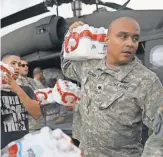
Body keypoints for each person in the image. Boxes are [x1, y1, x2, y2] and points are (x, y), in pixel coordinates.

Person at [61, 18, 163, 157]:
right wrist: (70, 35)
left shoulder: (146, 80)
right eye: (123, 36)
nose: (130, 43)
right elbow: (67, 67)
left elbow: (160, 133)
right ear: (107, 39)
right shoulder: (90, 65)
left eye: (135, 38)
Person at [1, 53, 41, 149]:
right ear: (2, 65)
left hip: (22, 145)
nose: (17, 67)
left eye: (19, 64)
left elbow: (36, 113)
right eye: (13, 63)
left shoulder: (26, 89)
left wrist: (17, 88)